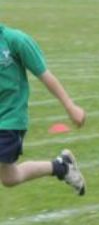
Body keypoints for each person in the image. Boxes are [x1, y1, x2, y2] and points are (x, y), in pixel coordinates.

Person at [0, 23, 86, 195]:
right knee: (10, 178)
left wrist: (70, 106)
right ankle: (61, 166)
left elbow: (45, 75)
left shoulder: (15, 40)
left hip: (9, 119)